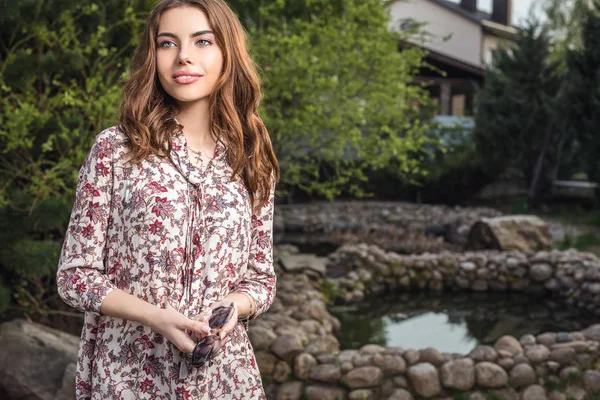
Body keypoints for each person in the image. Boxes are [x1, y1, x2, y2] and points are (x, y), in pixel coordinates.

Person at [56, 0, 279, 398]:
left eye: (203, 41)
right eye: (167, 43)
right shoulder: (116, 150)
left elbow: (260, 280)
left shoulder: (253, 159)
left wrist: (232, 306)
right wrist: (157, 318)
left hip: (224, 380)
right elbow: (75, 277)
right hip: (130, 375)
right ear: (152, 56)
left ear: (228, 53)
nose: (184, 57)